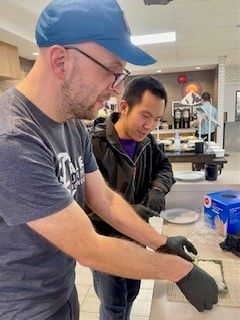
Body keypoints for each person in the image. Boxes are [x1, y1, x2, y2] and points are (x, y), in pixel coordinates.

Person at [0, 1, 218, 319]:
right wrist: (177, 270)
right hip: (22, 307)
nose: (116, 92)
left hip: (61, 289)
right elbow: (88, 246)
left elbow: (104, 199)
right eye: (112, 73)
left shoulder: (71, 124)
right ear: (60, 60)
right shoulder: (12, 139)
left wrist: (161, 242)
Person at [89, 76, 176, 319]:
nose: (150, 125)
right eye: (145, 115)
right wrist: (130, 213)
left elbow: (165, 168)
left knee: (131, 295)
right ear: (124, 107)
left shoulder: (147, 142)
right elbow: (85, 203)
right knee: (113, 306)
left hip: (138, 239)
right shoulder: (95, 146)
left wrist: (158, 190)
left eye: (157, 119)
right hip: (107, 244)